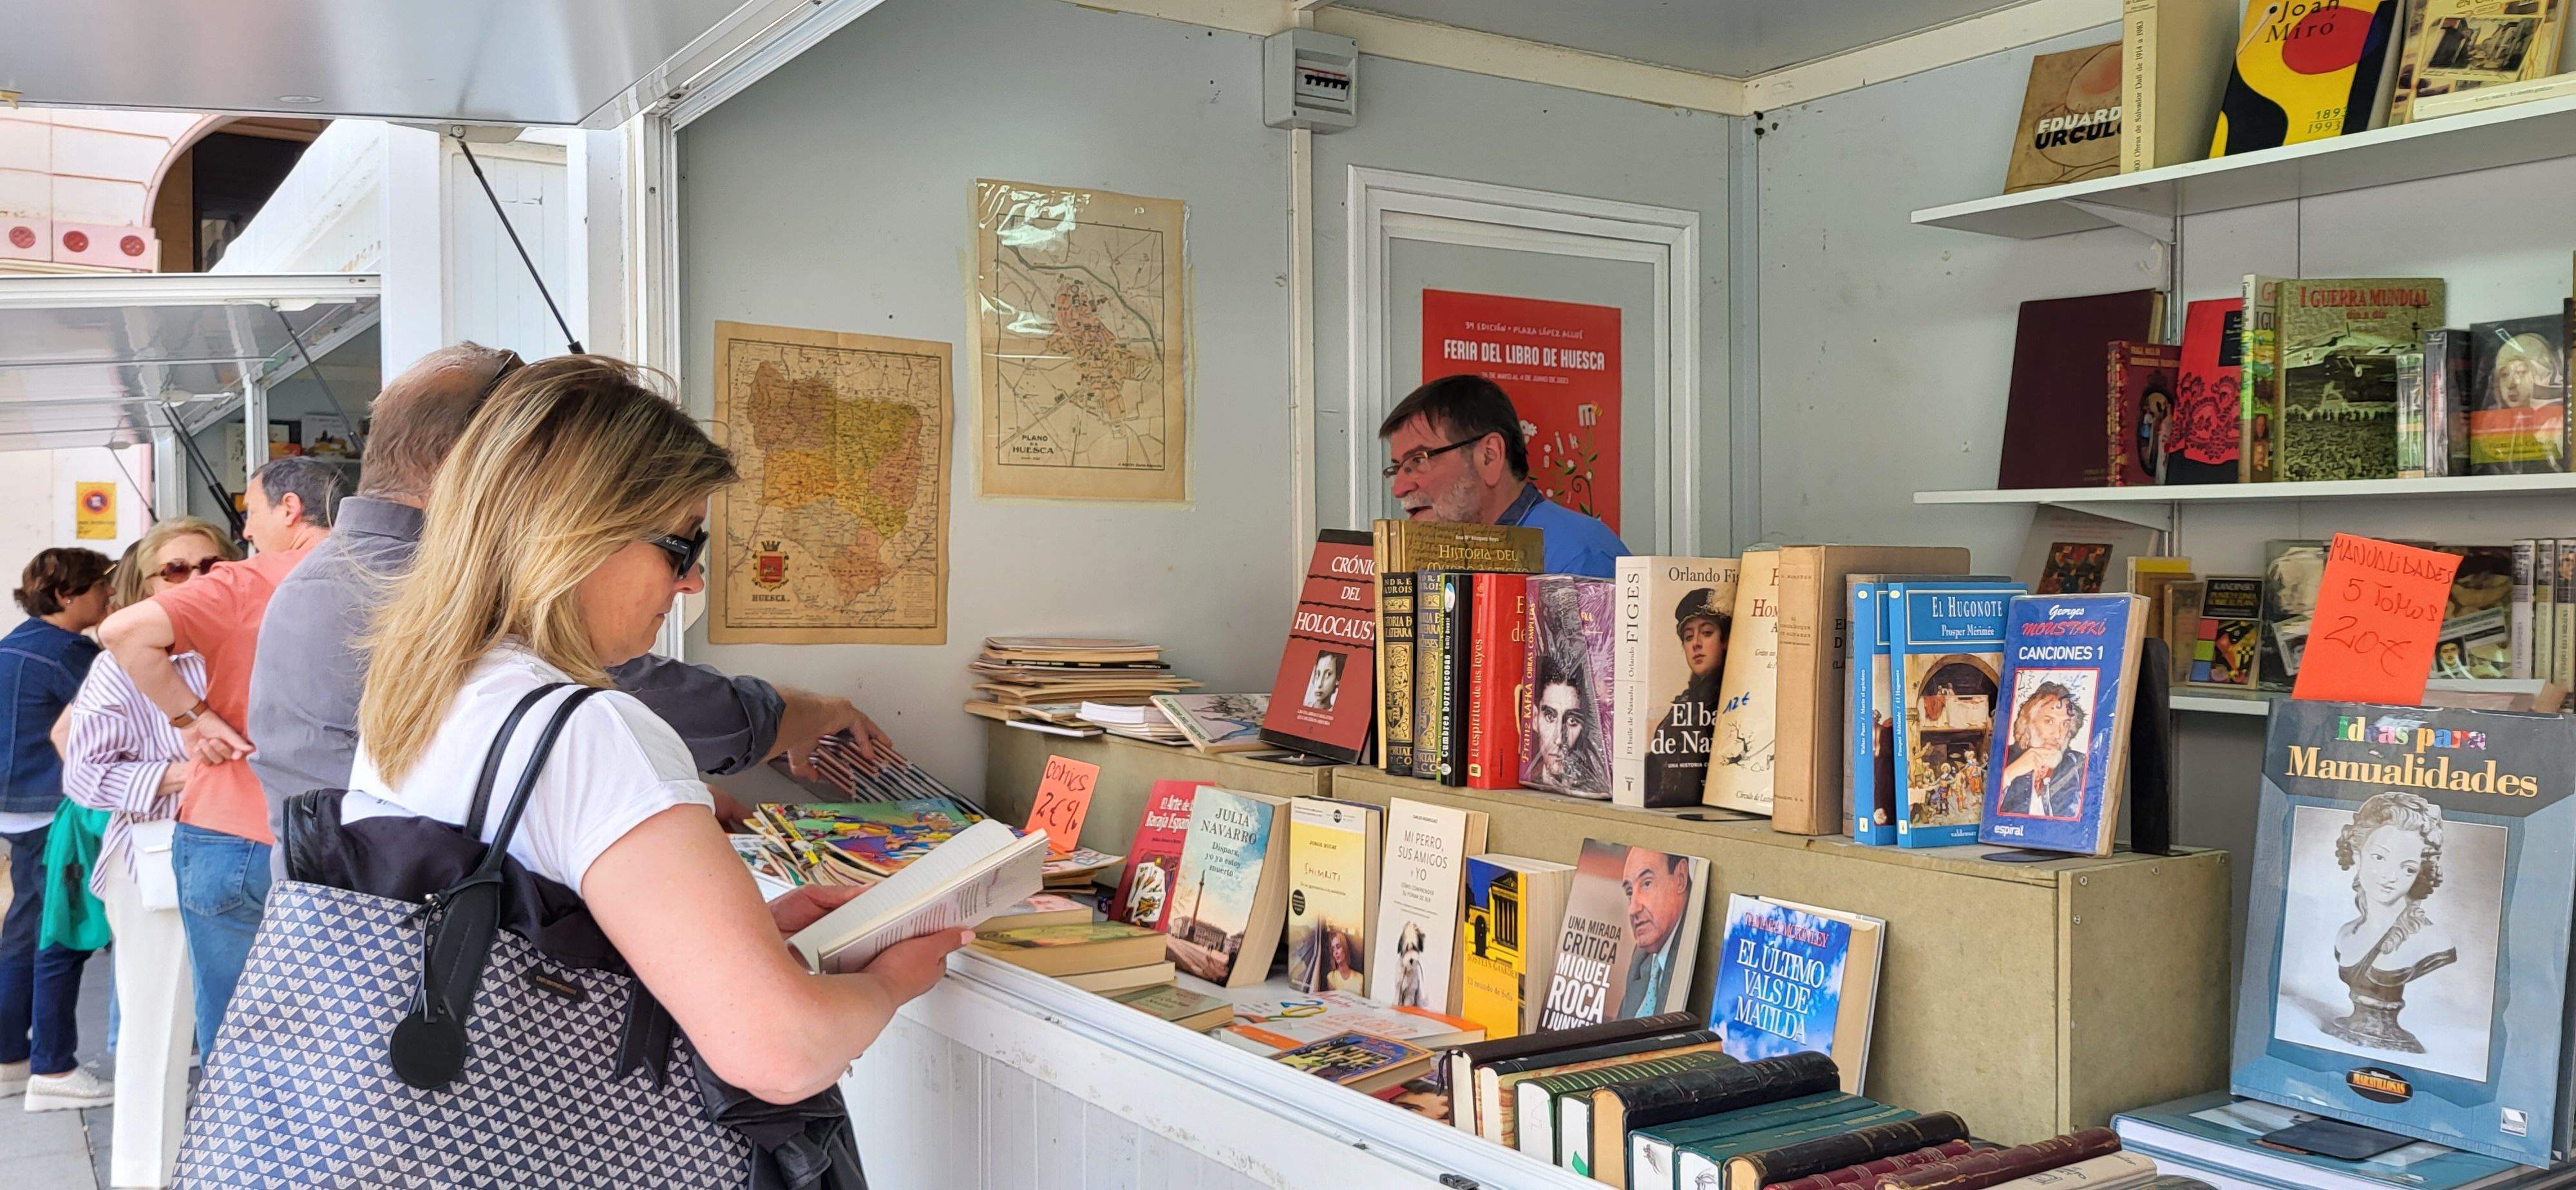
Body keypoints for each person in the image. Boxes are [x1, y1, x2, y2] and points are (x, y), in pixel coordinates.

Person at [344, 355, 963, 1111]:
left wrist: (745, 941)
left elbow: (529, 931)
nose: (692, 582)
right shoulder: (591, 729)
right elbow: (781, 1052)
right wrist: (896, 977)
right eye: (683, 544)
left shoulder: (427, 687)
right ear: (574, 535)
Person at [246, 343, 886, 869]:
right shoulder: (425, 591)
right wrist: (802, 717)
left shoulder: (325, 579)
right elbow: (622, 698)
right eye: (550, 457)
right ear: (486, 465)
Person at [100, 457, 339, 1056]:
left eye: (251, 515)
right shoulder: (399, 574)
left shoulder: (248, 580)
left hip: (232, 833)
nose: (247, 534)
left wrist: (192, 716)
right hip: (356, 839)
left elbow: (123, 632)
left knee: (237, 1048)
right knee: (335, 1048)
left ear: (290, 509)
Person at [61, 518, 234, 1182]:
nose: (196, 581)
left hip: (242, 858)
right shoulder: (118, 670)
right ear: (147, 585)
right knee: (156, 1033)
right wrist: (184, 774)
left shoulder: (244, 645)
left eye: (211, 567)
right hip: (154, 863)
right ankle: (143, 1174)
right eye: (177, 570)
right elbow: (83, 776)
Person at [0, 546, 114, 1111]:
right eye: (100, 586)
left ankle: (9, 1059)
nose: (110, 595)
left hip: (17, 806)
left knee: (25, 930)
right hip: (55, 810)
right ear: (67, 595)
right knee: (61, 936)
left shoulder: (13, 645)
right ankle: (54, 1067)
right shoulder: (71, 653)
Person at [1378, 374, 1629, 578]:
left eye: (1418, 461)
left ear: (1489, 456)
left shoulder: (1581, 560)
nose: (1399, 489)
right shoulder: (1438, 559)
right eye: (1396, 469)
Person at [2325, 791, 2456, 1053]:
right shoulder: (2346, 934)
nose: (2390, 876)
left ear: (2419, 874)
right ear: (2359, 855)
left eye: (2407, 868)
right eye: (2380, 857)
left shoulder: (2431, 941)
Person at [1644, 587, 1728, 804]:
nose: (1696, 644)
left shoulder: (1734, 697)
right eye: (1688, 637)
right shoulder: (1684, 705)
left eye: (1707, 633)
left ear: (1725, 639)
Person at [1616, 847, 1693, 1018]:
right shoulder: (1641, 957)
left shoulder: (1696, 946)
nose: (1633, 908)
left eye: (1647, 883)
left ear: (1680, 878)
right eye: (1630, 892)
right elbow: (1618, 1032)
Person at [1997, 682, 2088, 820]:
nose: (2058, 734)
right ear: (2029, 723)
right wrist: (2010, 773)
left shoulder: (2079, 764)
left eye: (2065, 724)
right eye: (2049, 722)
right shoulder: (2003, 758)